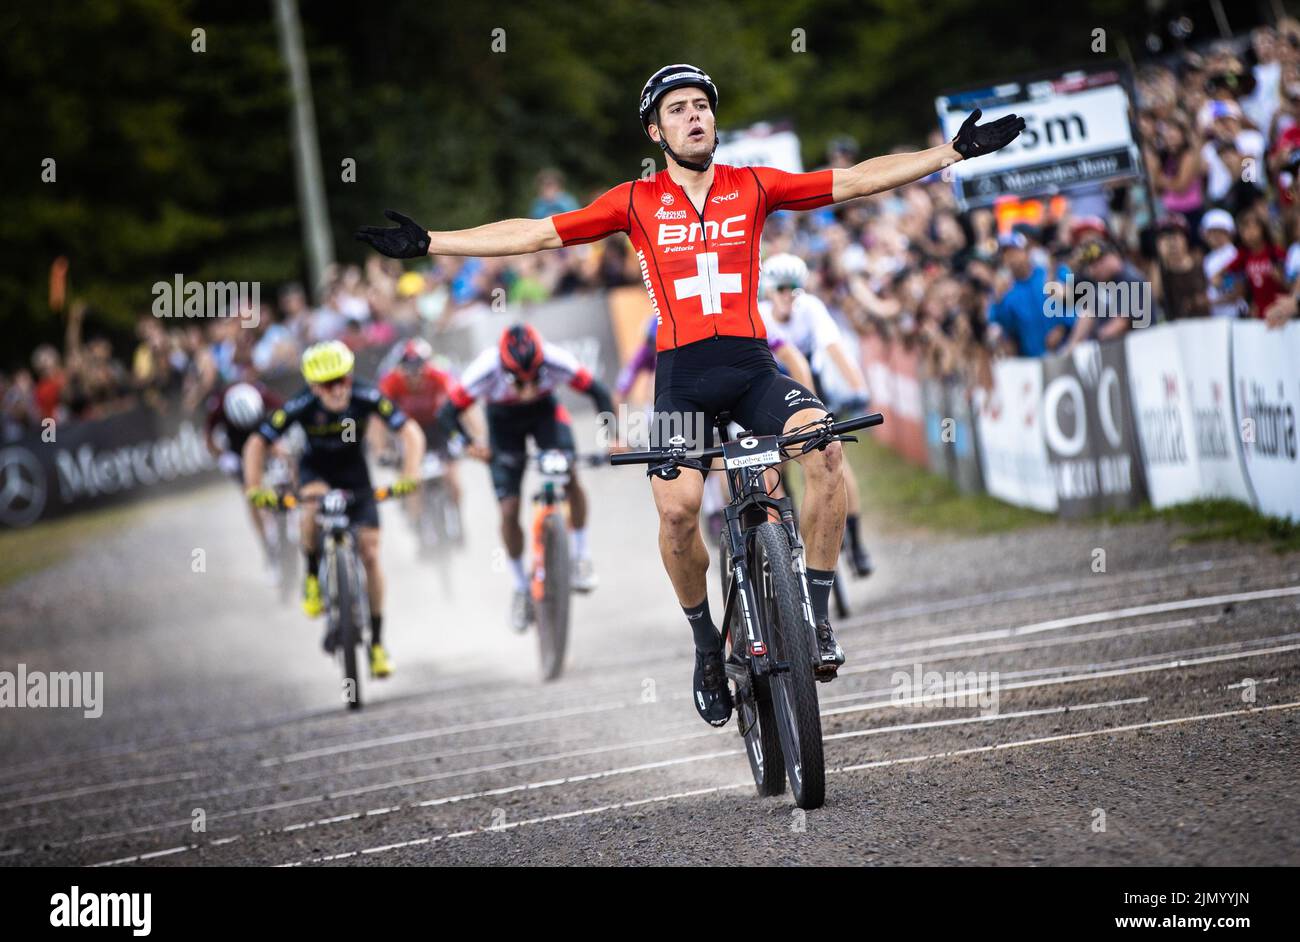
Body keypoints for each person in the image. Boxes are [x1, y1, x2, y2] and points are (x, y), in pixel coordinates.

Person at [356, 63, 1024, 725]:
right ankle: (707, 647)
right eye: (676, 109)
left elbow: (852, 181)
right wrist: (432, 244)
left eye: (701, 104)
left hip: (752, 369)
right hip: (682, 380)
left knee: (822, 452)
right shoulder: (634, 202)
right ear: (655, 130)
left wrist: (950, 153)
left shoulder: (753, 186)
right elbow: (534, 233)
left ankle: (815, 617)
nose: (693, 115)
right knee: (677, 513)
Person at [242, 340, 425, 679]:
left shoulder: (366, 396)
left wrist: (410, 475)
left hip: (356, 474)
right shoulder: (300, 404)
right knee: (311, 506)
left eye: (343, 379)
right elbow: (257, 443)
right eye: (329, 384)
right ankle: (311, 575)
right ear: (313, 386)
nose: (338, 389)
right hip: (317, 472)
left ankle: (378, 644)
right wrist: (255, 489)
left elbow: (410, 431)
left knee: (370, 554)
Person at [436, 324, 615, 630]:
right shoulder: (485, 368)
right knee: (508, 509)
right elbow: (446, 415)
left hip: (546, 417)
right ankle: (520, 586)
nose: (529, 388)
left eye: (535, 378)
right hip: (503, 426)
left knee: (570, 475)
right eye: (519, 382)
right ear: (504, 372)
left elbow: (597, 391)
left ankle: (581, 556)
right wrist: (468, 445)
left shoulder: (555, 359)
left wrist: (613, 435)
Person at [759, 253, 874, 576]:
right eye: (781, 289)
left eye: (794, 289)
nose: (788, 295)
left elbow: (834, 348)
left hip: (812, 390)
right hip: (772, 396)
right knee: (772, 468)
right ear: (768, 290)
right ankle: (786, 533)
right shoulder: (761, 315)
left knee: (835, 460)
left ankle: (856, 541)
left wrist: (858, 386)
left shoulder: (810, 308)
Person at [378, 338, 464, 533]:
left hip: (437, 429)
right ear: (400, 368)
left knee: (453, 479)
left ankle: (458, 518)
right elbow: (378, 419)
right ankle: (415, 522)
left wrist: (466, 438)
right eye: (408, 368)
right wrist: (383, 449)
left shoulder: (440, 375)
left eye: (419, 367)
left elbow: (459, 404)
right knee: (410, 481)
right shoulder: (390, 382)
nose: (414, 374)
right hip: (408, 433)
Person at [205, 380, 284, 567]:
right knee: (251, 494)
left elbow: (287, 411)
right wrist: (222, 456)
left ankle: (287, 516)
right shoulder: (219, 405)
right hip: (238, 451)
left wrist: (282, 445)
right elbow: (208, 438)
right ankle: (265, 541)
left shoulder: (262, 394)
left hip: (265, 440)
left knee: (284, 467)